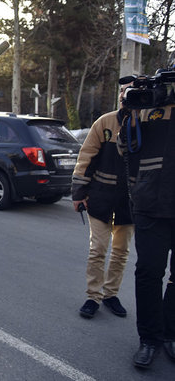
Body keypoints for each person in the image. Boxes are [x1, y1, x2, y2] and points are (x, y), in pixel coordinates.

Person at [118, 67, 175, 368]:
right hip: (151, 203)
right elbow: (124, 146)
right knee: (149, 273)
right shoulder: (149, 102)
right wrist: (127, 109)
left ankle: (170, 333)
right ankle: (149, 339)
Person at [73, 85, 134, 320]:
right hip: (100, 199)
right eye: (121, 91)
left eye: (130, 90)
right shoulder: (105, 122)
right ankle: (93, 297)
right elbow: (85, 158)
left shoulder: (146, 124)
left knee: (120, 252)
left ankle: (111, 294)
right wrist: (79, 193)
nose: (124, 95)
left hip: (129, 203)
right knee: (97, 250)